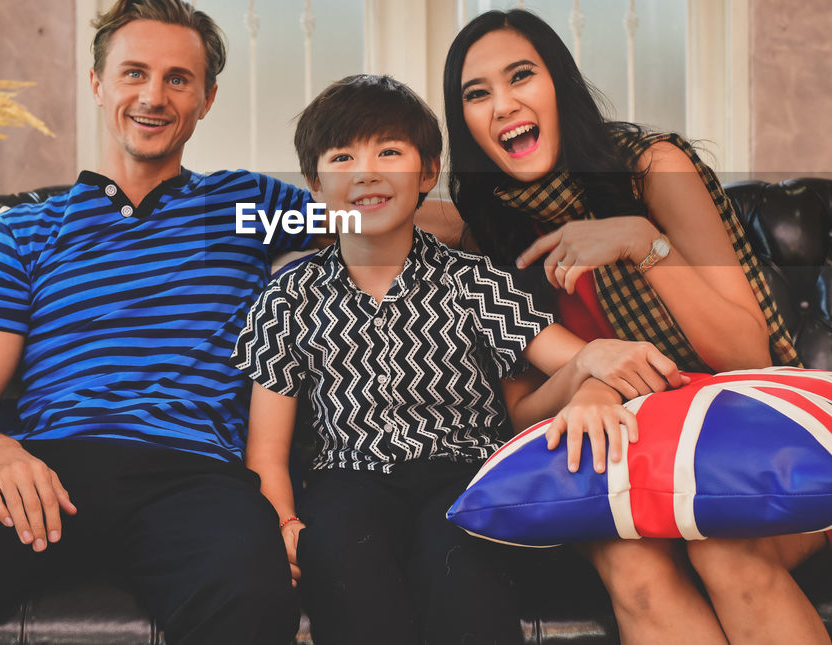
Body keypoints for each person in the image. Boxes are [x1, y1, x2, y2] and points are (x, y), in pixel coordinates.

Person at [0, 0, 309, 644]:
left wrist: (477, 209)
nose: (153, 96)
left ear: (207, 99)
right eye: (134, 73)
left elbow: (380, 219)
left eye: (177, 79)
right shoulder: (25, 232)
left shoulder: (245, 206)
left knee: (251, 608)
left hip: (194, 473)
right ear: (99, 84)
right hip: (48, 467)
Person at [442, 9, 831, 645]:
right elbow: (519, 415)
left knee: (722, 549)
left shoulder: (652, 169)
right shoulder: (491, 230)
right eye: (477, 94)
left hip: (742, 436)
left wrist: (642, 243)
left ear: (559, 85)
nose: (504, 105)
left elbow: (745, 351)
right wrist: (587, 378)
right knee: (634, 566)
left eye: (521, 78)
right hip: (617, 460)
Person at [234, 74, 662, 645]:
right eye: (343, 157)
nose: (367, 171)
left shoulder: (472, 280)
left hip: (463, 472)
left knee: (461, 565)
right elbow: (267, 449)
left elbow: (575, 358)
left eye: (390, 151)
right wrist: (283, 524)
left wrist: (600, 361)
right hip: (346, 480)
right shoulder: (289, 296)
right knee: (341, 557)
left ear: (427, 173)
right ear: (315, 183)